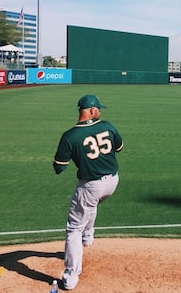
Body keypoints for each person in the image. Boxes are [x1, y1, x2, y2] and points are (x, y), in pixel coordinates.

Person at [53, 94, 124, 290]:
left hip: (91, 186)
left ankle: (70, 276)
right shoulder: (108, 126)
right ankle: (88, 237)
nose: (100, 111)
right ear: (92, 110)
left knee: (73, 227)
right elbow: (119, 147)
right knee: (90, 204)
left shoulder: (69, 136)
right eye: (99, 108)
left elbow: (59, 168)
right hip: (113, 182)